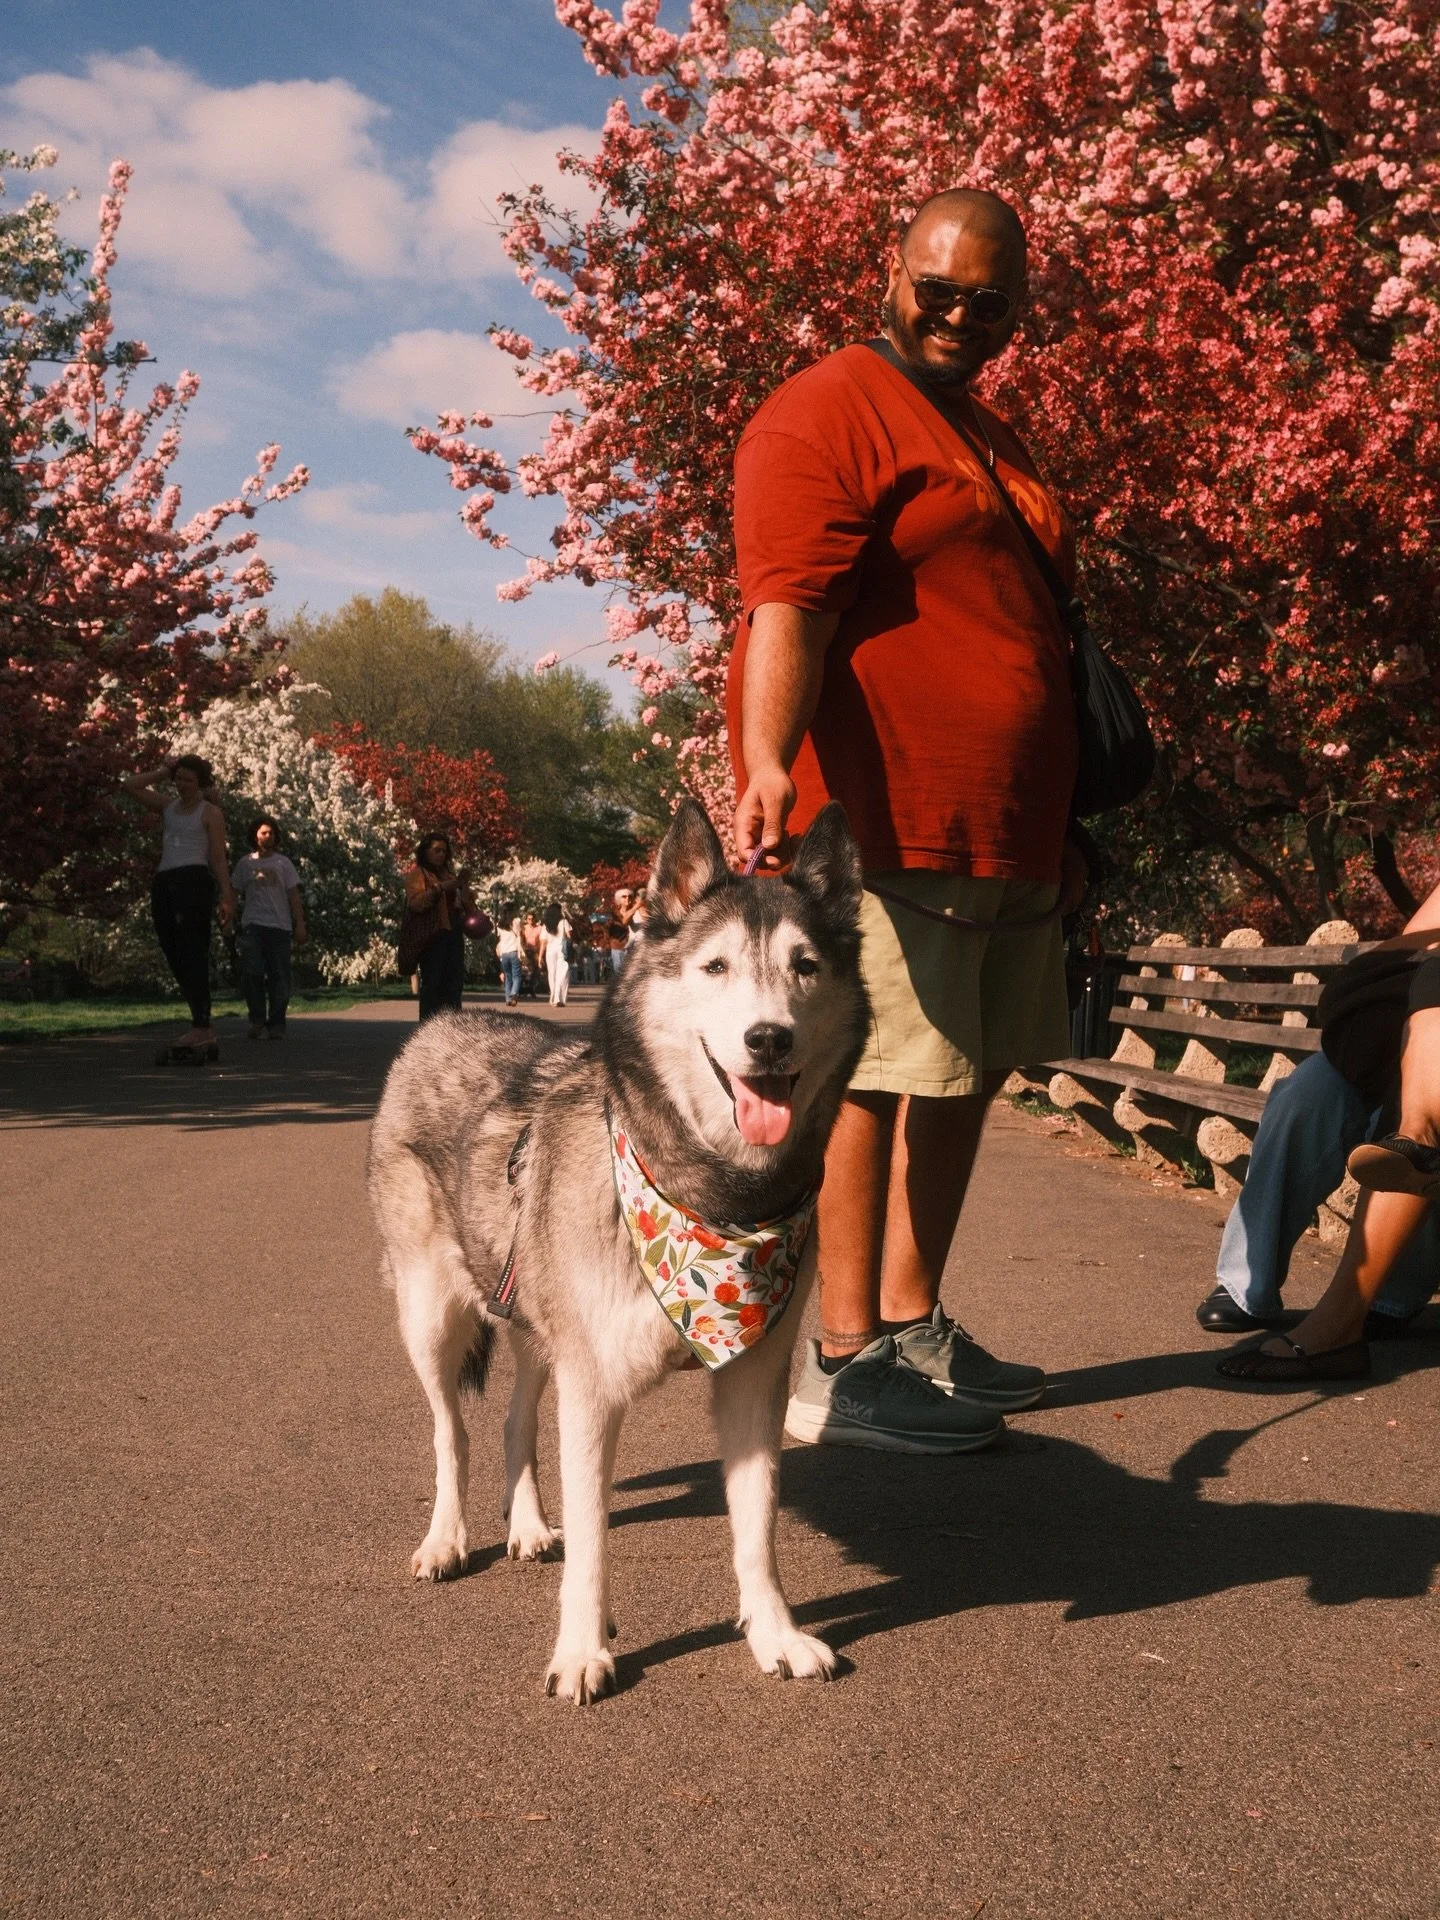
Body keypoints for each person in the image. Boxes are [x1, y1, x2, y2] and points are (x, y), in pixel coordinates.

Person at [729, 187, 1091, 1453]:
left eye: (990, 302)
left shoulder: (986, 427)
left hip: (1008, 830)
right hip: (890, 823)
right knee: (874, 1077)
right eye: (937, 287)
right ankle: (842, 1355)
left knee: (965, 1074)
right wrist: (768, 757)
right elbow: (790, 603)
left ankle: (912, 1313)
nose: (959, 315)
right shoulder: (829, 404)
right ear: (891, 270)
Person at [1218, 886, 1440, 1383]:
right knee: (1307, 1093)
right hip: (1401, 1033)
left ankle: (1379, 1303)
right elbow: (1411, 945)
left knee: (1410, 1128)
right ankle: (1245, 1283)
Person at [121, 753, 235, 1060]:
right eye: (179, 778)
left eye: (189, 779)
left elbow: (218, 858)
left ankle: (202, 1023)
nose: (182, 784)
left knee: (192, 949)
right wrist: (163, 770)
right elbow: (129, 785)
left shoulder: (209, 812)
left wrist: (227, 895)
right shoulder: (168, 807)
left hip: (193, 880)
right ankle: (200, 1019)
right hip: (165, 881)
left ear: (201, 782)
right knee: (172, 949)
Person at [231, 816, 307, 1041]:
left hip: (279, 927)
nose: (268, 836)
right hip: (253, 925)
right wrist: (227, 916)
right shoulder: (246, 864)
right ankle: (256, 1019)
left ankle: (276, 1024)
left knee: (280, 976)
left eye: (271, 833)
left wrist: (300, 924)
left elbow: (294, 896)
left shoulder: (283, 863)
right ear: (255, 835)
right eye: (264, 832)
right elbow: (234, 892)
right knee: (252, 973)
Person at [403, 833, 468, 1023]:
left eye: (444, 852)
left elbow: (464, 904)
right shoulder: (418, 875)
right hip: (432, 935)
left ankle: (453, 1028)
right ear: (425, 852)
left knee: (454, 984)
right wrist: (439, 889)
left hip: (453, 933)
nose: (441, 855)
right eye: (436, 850)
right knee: (433, 983)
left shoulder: (449, 876)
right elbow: (415, 903)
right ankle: (428, 1029)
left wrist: (462, 886)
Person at [542, 901, 572, 1007]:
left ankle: (553, 997)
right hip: (562, 949)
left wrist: (540, 956)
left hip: (550, 950)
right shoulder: (564, 922)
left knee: (552, 974)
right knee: (563, 973)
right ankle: (559, 998)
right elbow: (569, 936)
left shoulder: (546, 924)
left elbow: (543, 941)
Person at [496, 902, 524, 1007]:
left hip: (504, 952)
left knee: (508, 976)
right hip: (514, 951)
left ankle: (507, 998)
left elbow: (499, 938)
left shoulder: (499, 923)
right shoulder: (516, 921)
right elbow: (519, 935)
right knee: (516, 976)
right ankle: (513, 994)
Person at [607, 887, 637, 977]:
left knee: (631, 974)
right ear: (619, 900)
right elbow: (608, 929)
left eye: (629, 896)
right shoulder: (614, 914)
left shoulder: (636, 912)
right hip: (618, 947)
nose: (627, 898)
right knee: (619, 974)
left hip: (633, 946)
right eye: (624, 896)